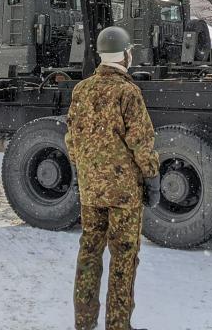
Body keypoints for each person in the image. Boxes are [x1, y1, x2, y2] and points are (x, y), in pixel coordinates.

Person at [65, 26, 160, 330]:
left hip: (92, 191)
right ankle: (118, 326)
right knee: (123, 258)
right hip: (123, 194)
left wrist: (88, 171)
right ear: (125, 55)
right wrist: (152, 176)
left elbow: (71, 139)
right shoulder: (128, 92)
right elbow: (141, 142)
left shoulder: (81, 90)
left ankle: (83, 323)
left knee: (89, 252)